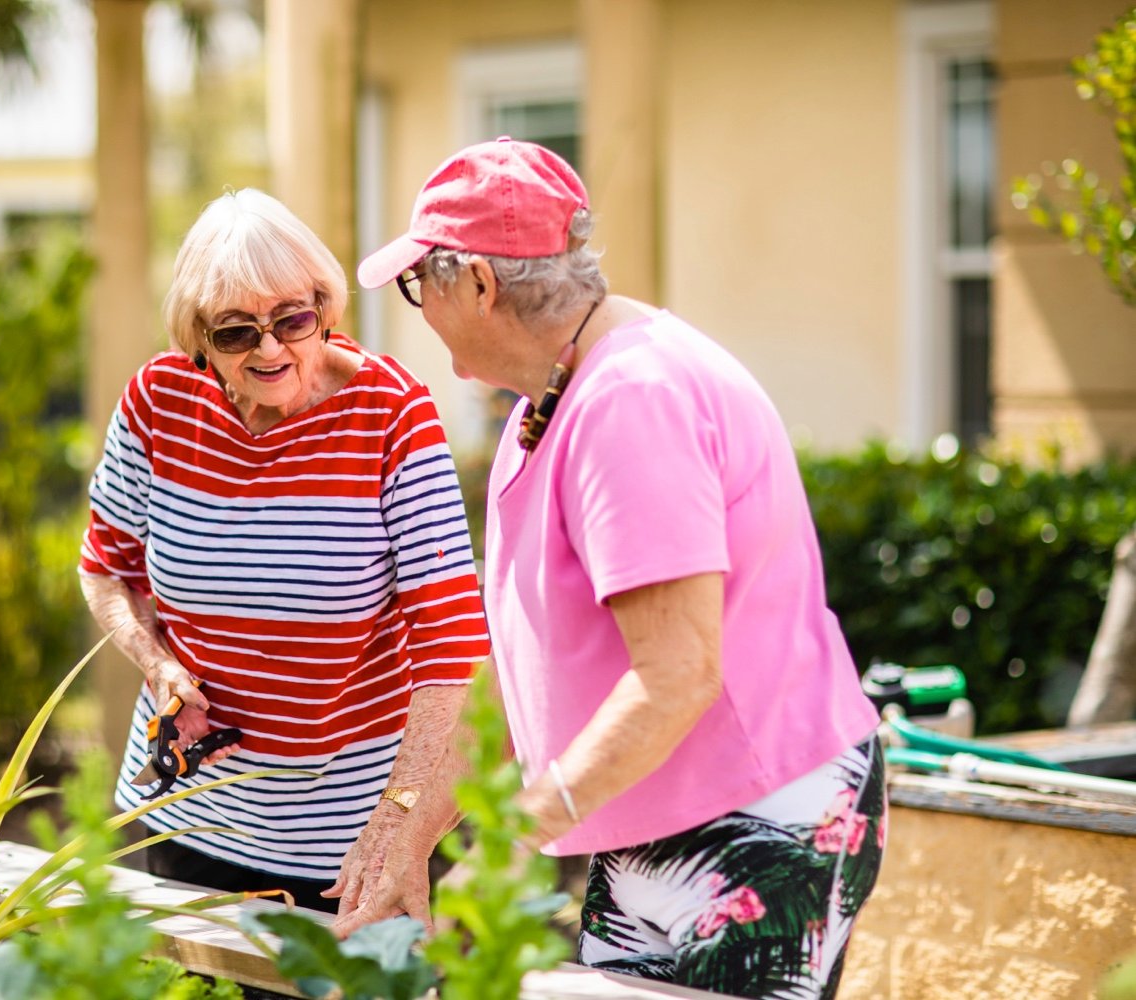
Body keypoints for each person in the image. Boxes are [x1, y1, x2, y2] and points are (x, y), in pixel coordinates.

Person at [339, 138, 886, 1000]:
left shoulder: (633, 398)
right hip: (654, 816)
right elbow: (520, 676)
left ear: (478, 284)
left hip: (757, 814)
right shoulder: (551, 397)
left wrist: (515, 836)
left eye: (418, 283)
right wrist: (412, 829)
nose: (415, 308)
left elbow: (677, 674)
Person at [79, 189, 490, 913]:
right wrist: (159, 663)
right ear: (199, 337)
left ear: (325, 309)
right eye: (237, 333)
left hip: (353, 839)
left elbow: (452, 650)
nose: (270, 349)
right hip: (186, 815)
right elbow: (106, 568)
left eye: (292, 320)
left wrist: (398, 825)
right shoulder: (157, 403)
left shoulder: (393, 416)